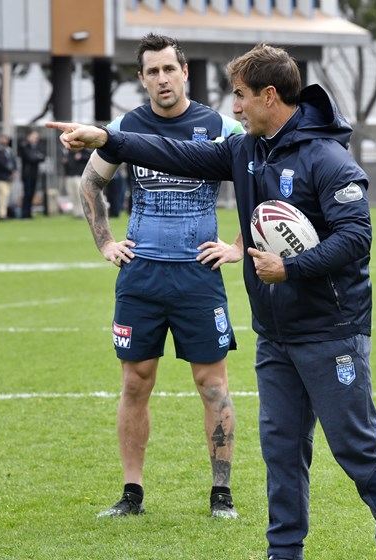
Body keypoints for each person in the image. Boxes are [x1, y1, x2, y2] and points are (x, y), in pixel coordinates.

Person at [48, 43, 376, 560]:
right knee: (281, 453)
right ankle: (282, 552)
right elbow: (174, 153)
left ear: (270, 96)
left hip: (332, 330)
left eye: (242, 97)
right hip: (276, 335)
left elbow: (356, 237)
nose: (235, 108)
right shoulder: (246, 150)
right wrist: (109, 138)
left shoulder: (327, 158)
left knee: (355, 449)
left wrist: (291, 266)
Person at [72, 33, 246, 520]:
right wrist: (105, 240)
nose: (163, 79)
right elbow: (90, 182)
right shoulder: (126, 127)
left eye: (170, 69)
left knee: (213, 385)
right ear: (142, 78)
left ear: (184, 72)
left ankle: (221, 494)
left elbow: (262, 179)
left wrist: (236, 247)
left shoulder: (218, 127)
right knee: (135, 383)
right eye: (153, 71)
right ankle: (132, 494)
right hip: (141, 277)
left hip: (198, 277)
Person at [18, 130, 45, 219]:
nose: (36, 139)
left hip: (34, 174)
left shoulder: (36, 147)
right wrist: (37, 157)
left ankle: (29, 213)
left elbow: (42, 157)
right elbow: (30, 158)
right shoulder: (24, 146)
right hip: (27, 174)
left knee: (32, 194)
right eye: (34, 137)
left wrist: (36, 157)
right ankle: (24, 213)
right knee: (27, 194)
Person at [0, 133, 17, 220]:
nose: (4, 141)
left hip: (8, 178)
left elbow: (14, 161)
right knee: (2, 196)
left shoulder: (8, 150)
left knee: (5, 196)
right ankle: (1, 215)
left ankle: (3, 213)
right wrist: (9, 171)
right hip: (0, 177)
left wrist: (14, 171)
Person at [61, 147, 90, 218]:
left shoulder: (82, 148)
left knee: (80, 195)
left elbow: (89, 157)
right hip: (69, 175)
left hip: (78, 175)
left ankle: (83, 213)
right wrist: (64, 162)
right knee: (72, 195)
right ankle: (76, 213)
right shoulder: (67, 151)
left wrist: (81, 157)